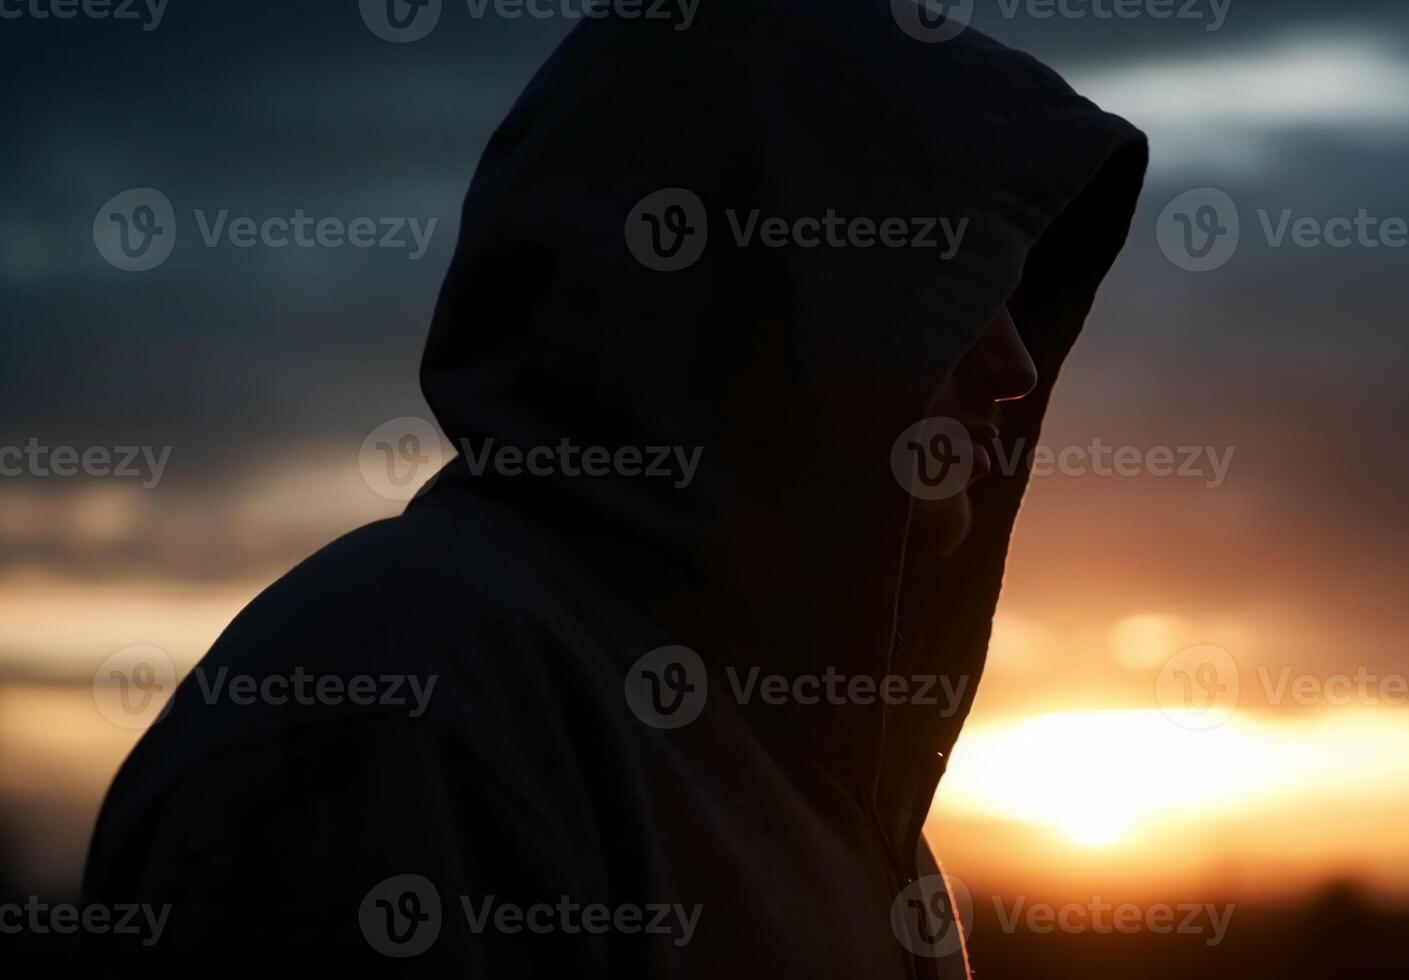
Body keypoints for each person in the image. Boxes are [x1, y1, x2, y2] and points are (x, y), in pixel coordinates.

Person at [78, 0, 1146, 975]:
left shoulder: (809, 776)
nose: (1015, 365)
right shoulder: (396, 707)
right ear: (751, 286)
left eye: (1010, 289)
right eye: (943, 281)